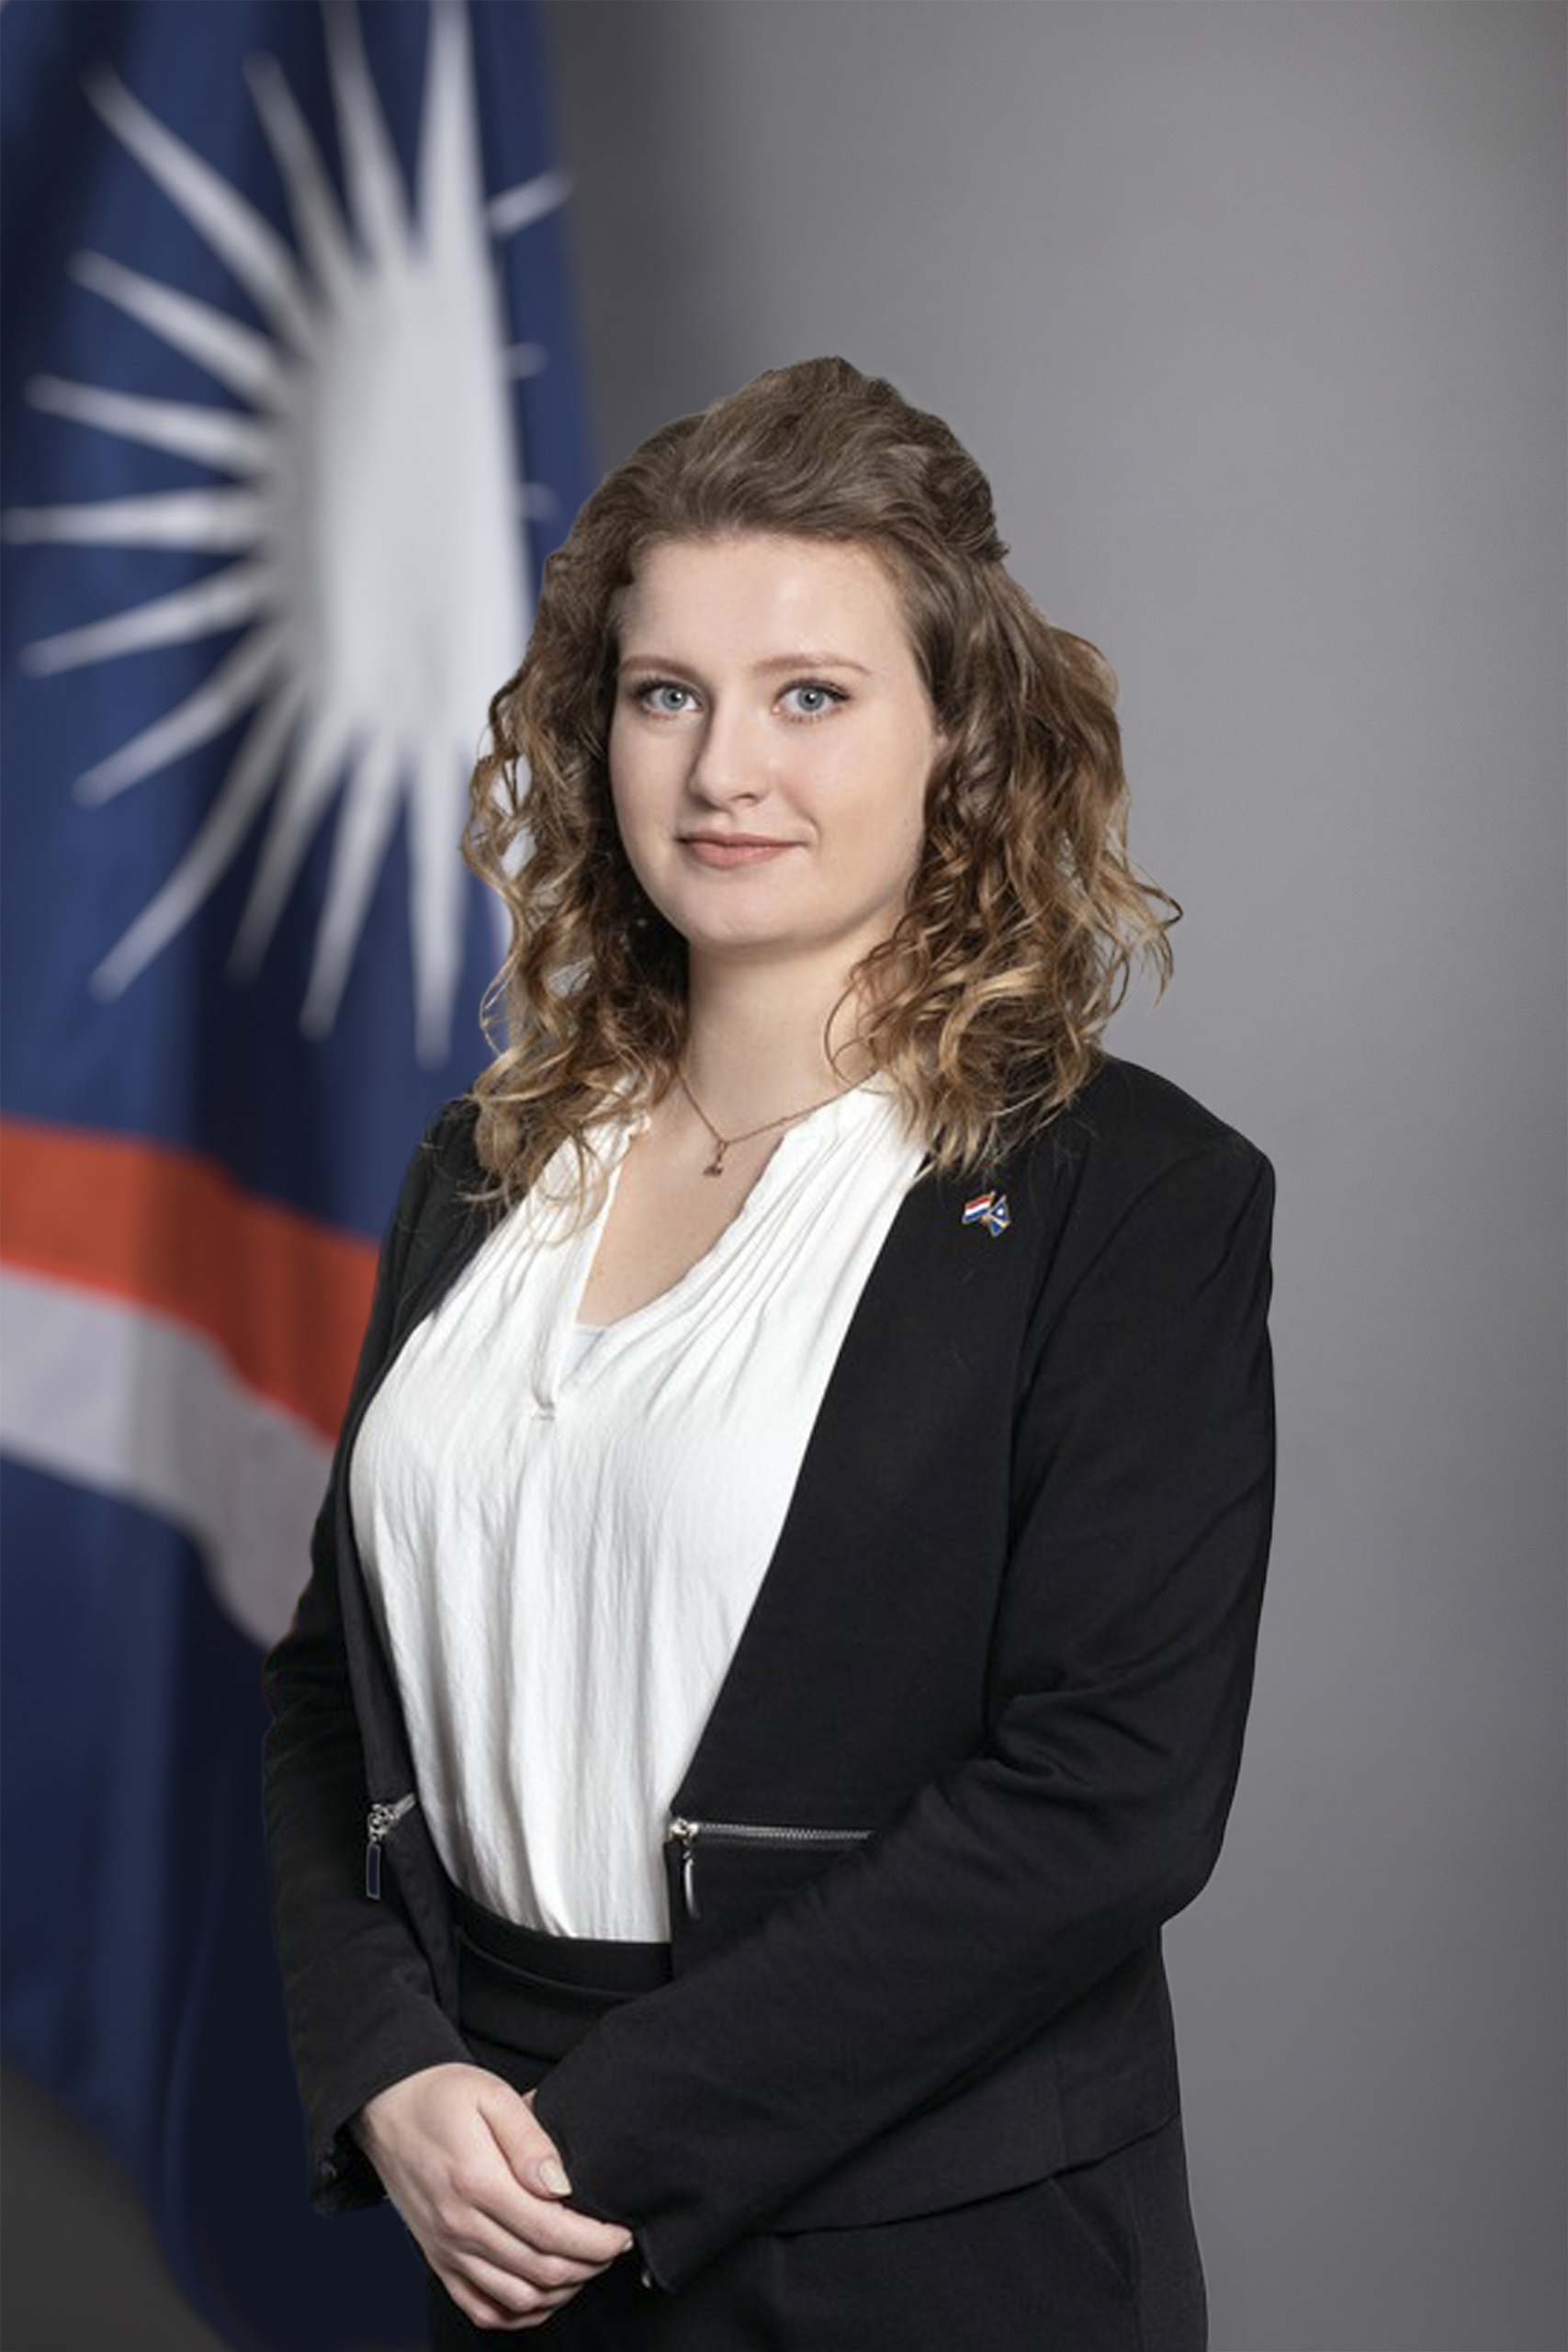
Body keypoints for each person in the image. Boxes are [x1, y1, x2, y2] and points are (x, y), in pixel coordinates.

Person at [264, 356, 1275, 2350]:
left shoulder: (1129, 1196)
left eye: (810, 694)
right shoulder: (485, 1167)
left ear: (957, 736)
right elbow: (328, 1679)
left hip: (913, 2242)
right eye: (667, 694)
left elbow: (1109, 1793)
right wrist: (386, 2063)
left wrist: (603, 2134)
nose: (724, 766)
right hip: (494, 2214)